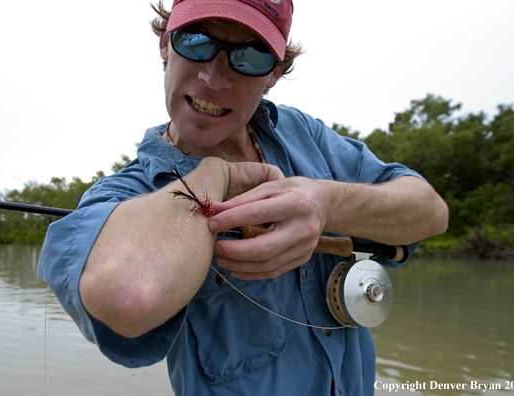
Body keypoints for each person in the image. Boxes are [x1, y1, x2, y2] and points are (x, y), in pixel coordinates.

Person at [38, 0, 449, 395]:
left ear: (275, 72)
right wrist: (214, 173)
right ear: (165, 42)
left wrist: (327, 203)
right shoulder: (125, 197)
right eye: (196, 42)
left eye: (250, 57)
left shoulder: (304, 135)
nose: (215, 78)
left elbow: (431, 211)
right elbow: (127, 299)